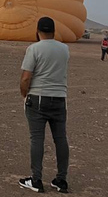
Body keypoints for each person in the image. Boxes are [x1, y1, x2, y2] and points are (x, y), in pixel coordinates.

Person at [19, 16, 70, 194]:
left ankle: (36, 180)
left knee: (37, 139)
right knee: (61, 139)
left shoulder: (34, 49)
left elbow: (26, 77)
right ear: (54, 31)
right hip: (60, 99)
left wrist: (24, 94)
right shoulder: (65, 49)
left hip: (38, 98)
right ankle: (61, 180)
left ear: (37, 31)